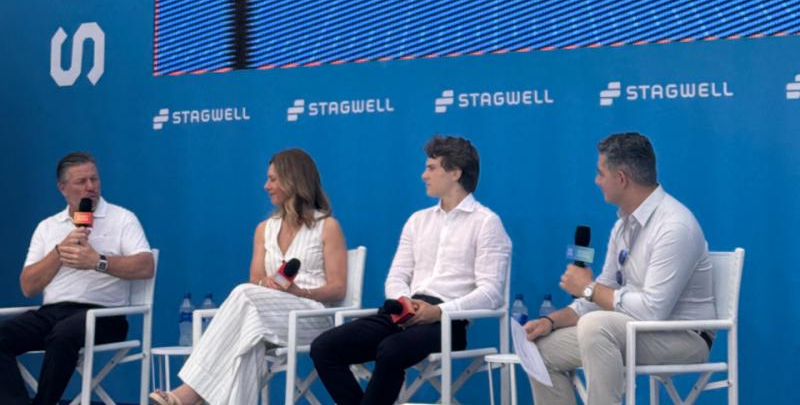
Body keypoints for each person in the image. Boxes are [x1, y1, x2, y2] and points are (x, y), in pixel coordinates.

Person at [310, 135, 512, 405]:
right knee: (324, 347)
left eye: (431, 168)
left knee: (391, 349)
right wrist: (404, 301)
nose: (423, 175)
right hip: (402, 311)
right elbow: (397, 275)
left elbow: (491, 293)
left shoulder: (487, 222)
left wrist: (439, 311)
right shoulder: (417, 220)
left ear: (455, 172)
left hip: (448, 320)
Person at [525, 132, 715, 404]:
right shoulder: (623, 226)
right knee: (542, 349)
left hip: (682, 336)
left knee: (596, 325)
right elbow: (601, 296)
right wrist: (550, 321)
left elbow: (652, 310)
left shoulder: (674, 226)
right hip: (633, 328)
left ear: (622, 178)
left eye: (601, 173)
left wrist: (589, 289)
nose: (596, 181)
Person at [149, 148, 347, 405]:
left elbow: (338, 288)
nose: (266, 186)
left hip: (311, 318)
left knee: (244, 296)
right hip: (266, 316)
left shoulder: (327, 226)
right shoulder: (264, 229)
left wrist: (299, 292)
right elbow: (256, 280)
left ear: (294, 180)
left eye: (273, 179)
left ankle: (186, 394)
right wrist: (269, 284)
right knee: (249, 337)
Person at [0, 152, 154, 405]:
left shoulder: (123, 218)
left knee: (63, 334)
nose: (91, 187)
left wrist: (97, 261)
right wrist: (59, 252)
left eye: (94, 179)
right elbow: (28, 287)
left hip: (104, 315)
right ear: (63, 188)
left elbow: (146, 266)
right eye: (81, 181)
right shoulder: (47, 227)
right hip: (52, 312)